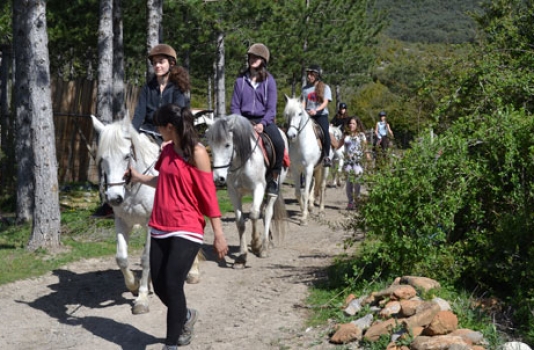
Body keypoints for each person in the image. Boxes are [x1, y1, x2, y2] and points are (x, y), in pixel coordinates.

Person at [127, 103, 228, 350]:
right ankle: (184, 316)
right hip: (160, 224)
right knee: (159, 285)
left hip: (187, 226)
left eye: (159, 127)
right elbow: (165, 179)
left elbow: (208, 195)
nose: (158, 131)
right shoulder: (168, 150)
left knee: (173, 283)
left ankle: (170, 345)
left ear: (169, 127)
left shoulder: (198, 153)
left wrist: (218, 233)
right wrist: (139, 178)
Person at [91, 43, 191, 218]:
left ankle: (185, 198)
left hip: (171, 133)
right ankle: (111, 203)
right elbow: (138, 115)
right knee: (119, 156)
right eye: (155, 63)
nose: (157, 66)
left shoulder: (178, 89)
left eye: (161, 62)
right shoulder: (148, 88)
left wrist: (170, 140)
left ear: (171, 64)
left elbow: (178, 115)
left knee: (184, 161)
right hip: (146, 133)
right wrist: (129, 135)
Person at [230, 43, 285, 197]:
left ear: (263, 60)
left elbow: (271, 108)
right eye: (251, 57)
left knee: (279, 143)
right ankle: (226, 174)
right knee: (225, 141)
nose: (253, 60)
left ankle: (274, 178)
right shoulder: (240, 80)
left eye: (257, 57)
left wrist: (262, 123)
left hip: (263, 119)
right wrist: (240, 122)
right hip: (244, 119)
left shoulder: (269, 81)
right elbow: (235, 105)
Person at [302, 64, 332, 167]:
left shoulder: (325, 87)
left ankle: (326, 156)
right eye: (308, 74)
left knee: (325, 132)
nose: (309, 76)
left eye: (311, 74)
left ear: (317, 75)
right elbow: (303, 103)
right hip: (308, 115)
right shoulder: (305, 89)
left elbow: (325, 102)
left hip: (321, 115)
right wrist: (303, 111)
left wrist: (316, 110)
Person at [343, 116, 371, 210]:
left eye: (353, 123)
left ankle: (357, 200)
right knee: (349, 183)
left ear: (357, 125)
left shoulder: (361, 135)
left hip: (357, 162)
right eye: (350, 123)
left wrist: (368, 159)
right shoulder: (346, 136)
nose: (351, 125)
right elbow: (337, 145)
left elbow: (365, 148)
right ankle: (350, 202)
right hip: (347, 163)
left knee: (357, 181)